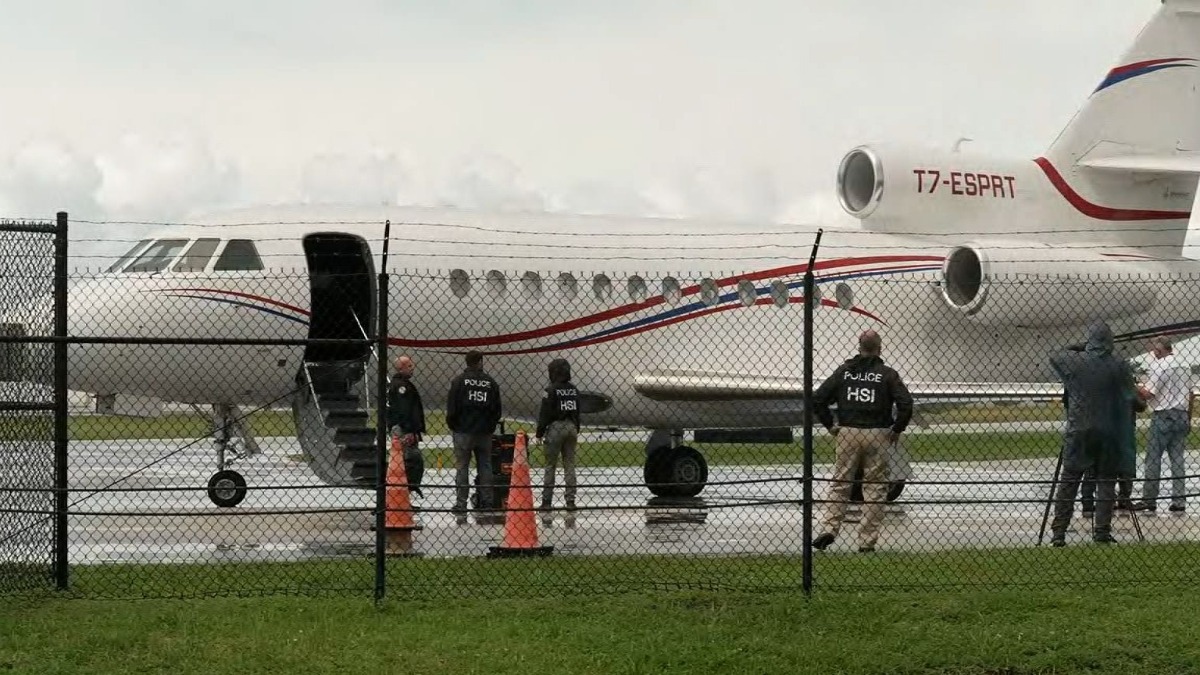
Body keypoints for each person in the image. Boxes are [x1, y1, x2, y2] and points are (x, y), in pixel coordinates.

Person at [811, 330, 913, 553]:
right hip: (878, 433)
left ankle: (829, 527)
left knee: (840, 483)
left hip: (848, 431)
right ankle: (867, 541)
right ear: (880, 348)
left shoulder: (845, 372)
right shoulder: (887, 375)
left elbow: (818, 399)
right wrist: (897, 428)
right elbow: (906, 403)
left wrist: (831, 425)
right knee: (875, 488)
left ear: (859, 347)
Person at [1048, 321, 1136, 546]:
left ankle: (1059, 532)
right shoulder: (1119, 365)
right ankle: (1102, 531)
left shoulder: (1075, 363)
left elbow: (1055, 356)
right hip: (1109, 431)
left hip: (1080, 428)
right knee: (1106, 481)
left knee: (1069, 480)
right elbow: (1131, 397)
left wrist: (1080, 347)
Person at [1131, 336, 1191, 513]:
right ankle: (1179, 500)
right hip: (1181, 414)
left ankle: (1149, 499)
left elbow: (1149, 394)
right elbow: (1189, 393)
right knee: (1178, 459)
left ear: (1159, 350)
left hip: (1163, 415)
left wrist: (1134, 385)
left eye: (1154, 351)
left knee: (1153, 458)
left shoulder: (1159, 366)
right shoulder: (1185, 366)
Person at [446, 350, 503, 524]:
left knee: (462, 466)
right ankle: (486, 502)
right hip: (484, 430)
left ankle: (461, 503)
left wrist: (454, 425)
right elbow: (497, 410)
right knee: (485, 466)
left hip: (463, 429)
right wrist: (490, 425)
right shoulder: (490, 383)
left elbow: (452, 408)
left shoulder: (459, 382)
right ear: (480, 362)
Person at [1079, 389, 1144, 515]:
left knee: (1094, 463)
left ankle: (1088, 501)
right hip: (1122, 428)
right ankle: (1123, 497)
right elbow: (1139, 405)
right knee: (1124, 462)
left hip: (1099, 425)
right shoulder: (1124, 383)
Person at [536, 358, 581, 526]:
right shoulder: (574, 390)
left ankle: (547, 501)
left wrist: (540, 432)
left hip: (556, 427)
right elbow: (577, 410)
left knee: (551, 465)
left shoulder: (550, 390)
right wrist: (576, 427)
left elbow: (545, 413)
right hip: (571, 426)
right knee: (569, 464)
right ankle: (570, 501)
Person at [386, 355, 426, 498]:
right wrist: (409, 430)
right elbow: (404, 410)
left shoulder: (397, 384)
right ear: (401, 368)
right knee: (412, 460)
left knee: (408, 460)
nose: (412, 368)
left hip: (403, 427)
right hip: (404, 428)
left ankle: (404, 494)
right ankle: (406, 492)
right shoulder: (401, 386)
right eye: (409, 366)